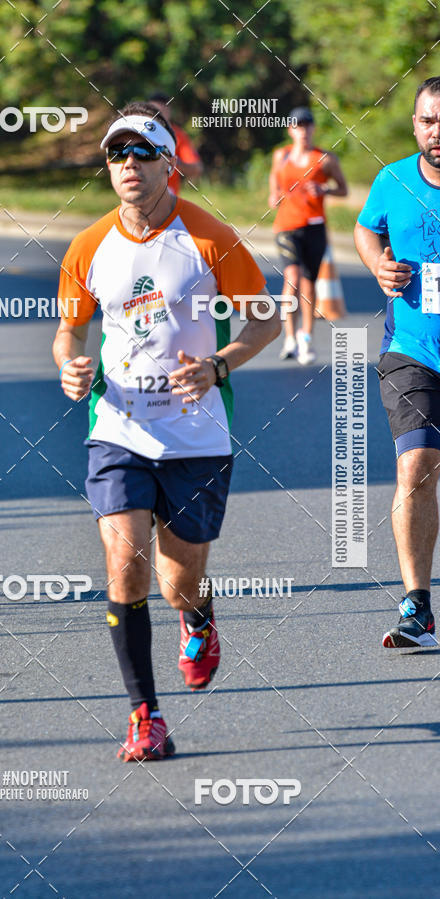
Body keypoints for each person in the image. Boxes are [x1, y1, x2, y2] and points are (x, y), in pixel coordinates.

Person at [52, 103, 280, 761]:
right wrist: (69, 364)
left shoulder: (209, 237)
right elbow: (69, 328)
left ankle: (198, 615)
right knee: (125, 566)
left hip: (195, 435)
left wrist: (218, 365)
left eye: (141, 152)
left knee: (178, 584)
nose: (128, 164)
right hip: (118, 429)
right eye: (116, 154)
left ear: (168, 163)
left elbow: (265, 319)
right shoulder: (88, 245)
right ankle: (144, 716)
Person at [354, 76, 440, 649]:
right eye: (428, 120)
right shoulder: (393, 180)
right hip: (412, 351)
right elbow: (365, 230)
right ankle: (417, 606)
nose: (438, 131)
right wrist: (377, 265)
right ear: (414, 125)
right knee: (417, 465)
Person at [269, 107, 348, 365]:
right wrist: (273, 195)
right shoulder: (281, 155)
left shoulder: (325, 159)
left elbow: (343, 189)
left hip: (314, 227)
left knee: (308, 283)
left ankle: (306, 337)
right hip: (286, 227)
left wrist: (325, 189)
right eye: (297, 126)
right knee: (292, 277)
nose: (302, 131)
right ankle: (290, 337)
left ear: (313, 128)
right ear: (290, 130)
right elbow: (275, 181)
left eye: (306, 125)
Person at [147, 92, 203, 194]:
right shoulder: (138, 132)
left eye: (161, 112)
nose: (157, 116)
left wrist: (171, 160)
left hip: (169, 196)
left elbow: (196, 168)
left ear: (169, 112)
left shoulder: (178, 135)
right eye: (154, 112)